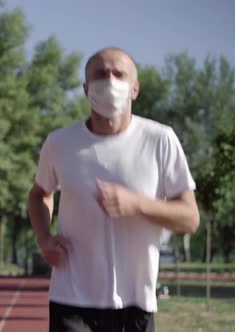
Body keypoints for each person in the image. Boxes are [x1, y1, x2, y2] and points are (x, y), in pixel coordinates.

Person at [27, 47, 200, 332]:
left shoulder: (160, 139)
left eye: (119, 74)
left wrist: (137, 204)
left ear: (134, 89)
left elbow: (190, 218)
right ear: (86, 89)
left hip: (136, 302)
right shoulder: (59, 143)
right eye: (100, 74)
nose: (110, 81)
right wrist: (44, 238)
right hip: (72, 299)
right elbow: (39, 194)